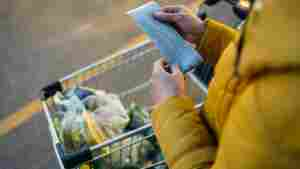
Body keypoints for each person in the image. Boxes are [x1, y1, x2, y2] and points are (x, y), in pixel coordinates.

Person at [150, 0, 300, 169]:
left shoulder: (287, 113)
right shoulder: (284, 14)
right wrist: (205, 35)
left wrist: (170, 105)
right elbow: (272, 59)